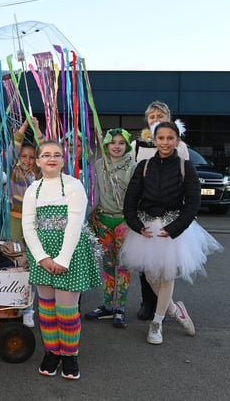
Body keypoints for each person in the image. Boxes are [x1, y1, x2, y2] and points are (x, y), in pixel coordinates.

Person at [120, 121, 222, 345]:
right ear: (154, 140)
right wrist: (136, 224)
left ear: (177, 140)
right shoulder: (143, 165)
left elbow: (193, 203)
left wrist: (175, 228)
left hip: (173, 229)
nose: (165, 142)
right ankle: (176, 310)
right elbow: (130, 200)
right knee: (149, 275)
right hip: (146, 229)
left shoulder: (186, 167)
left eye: (169, 138)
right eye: (161, 138)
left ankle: (157, 323)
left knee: (166, 276)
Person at [22, 141, 101, 380]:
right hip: (42, 255)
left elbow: (75, 224)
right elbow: (28, 226)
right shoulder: (32, 189)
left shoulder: (74, 185)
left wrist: (63, 259)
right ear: (38, 161)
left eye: (57, 155)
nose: (51, 158)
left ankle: (69, 355)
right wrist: (42, 258)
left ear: (63, 160)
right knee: (46, 311)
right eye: (46, 155)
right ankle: (51, 353)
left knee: (66, 312)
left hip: (70, 253)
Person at [130, 100, 189, 321]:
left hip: (169, 213)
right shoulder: (138, 145)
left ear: (168, 118)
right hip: (144, 211)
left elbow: (184, 178)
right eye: (152, 116)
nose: (156, 119)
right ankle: (149, 302)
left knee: (165, 265)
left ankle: (162, 308)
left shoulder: (179, 146)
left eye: (160, 116)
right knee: (145, 264)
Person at [84, 129, 136, 328]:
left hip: (124, 222)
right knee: (107, 265)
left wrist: (133, 221)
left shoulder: (132, 166)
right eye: (113, 142)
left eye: (121, 143)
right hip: (103, 221)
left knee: (123, 265)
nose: (116, 146)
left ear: (127, 146)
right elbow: (93, 191)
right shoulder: (98, 165)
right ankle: (107, 305)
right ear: (106, 145)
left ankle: (120, 307)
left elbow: (135, 195)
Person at [8, 117, 43, 328]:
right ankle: (14, 303)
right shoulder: (13, 170)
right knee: (14, 263)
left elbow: (48, 150)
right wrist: (22, 129)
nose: (28, 160)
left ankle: (29, 308)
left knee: (33, 265)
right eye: (24, 156)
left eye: (32, 157)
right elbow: (12, 150)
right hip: (14, 220)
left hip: (35, 224)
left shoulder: (41, 175)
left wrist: (37, 129)